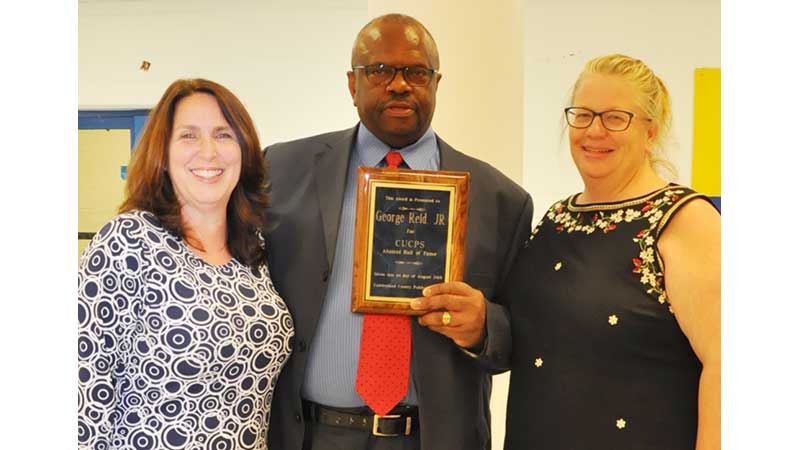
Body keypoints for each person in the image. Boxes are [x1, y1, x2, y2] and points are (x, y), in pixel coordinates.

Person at [264, 13, 532, 450]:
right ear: (352, 84)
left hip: (433, 439)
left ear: (437, 83)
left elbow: (524, 334)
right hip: (312, 435)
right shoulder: (281, 170)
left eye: (416, 72)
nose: (399, 84)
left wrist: (485, 327)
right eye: (380, 70)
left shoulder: (501, 199)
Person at [501, 54, 720, 449]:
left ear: (650, 133)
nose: (594, 131)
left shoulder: (686, 220)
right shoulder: (555, 219)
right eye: (583, 115)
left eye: (616, 118)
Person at [77, 79, 294, 450]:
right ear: (162, 153)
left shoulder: (254, 249)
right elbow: (84, 395)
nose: (208, 151)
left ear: (244, 151)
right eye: (189, 136)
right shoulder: (129, 240)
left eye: (223, 135)